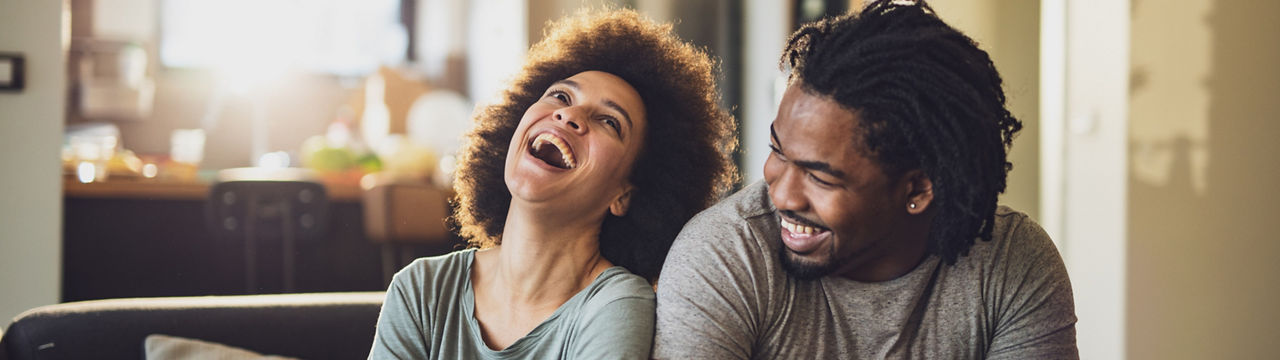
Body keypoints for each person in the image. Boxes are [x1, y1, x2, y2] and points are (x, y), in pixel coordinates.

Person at [652, 1, 1078, 359]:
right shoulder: (725, 254)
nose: (780, 193)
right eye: (778, 151)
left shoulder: (1012, 264)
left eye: (820, 177)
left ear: (917, 190)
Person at [368, 9, 737, 360]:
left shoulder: (616, 305)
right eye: (561, 96)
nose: (570, 114)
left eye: (610, 122)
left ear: (624, 195)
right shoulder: (421, 289)